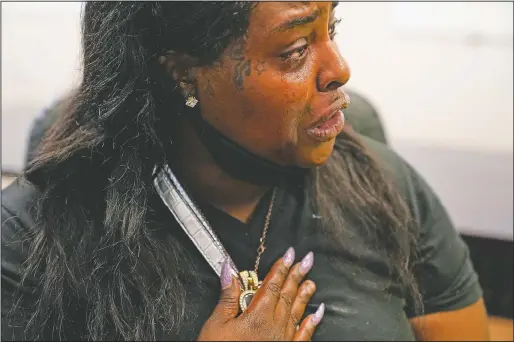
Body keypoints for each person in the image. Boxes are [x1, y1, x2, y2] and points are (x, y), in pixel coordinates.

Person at [1, 2, 488, 341]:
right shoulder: (32, 242)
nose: (339, 68)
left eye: (331, 30)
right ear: (182, 72)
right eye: (295, 50)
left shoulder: (385, 185)